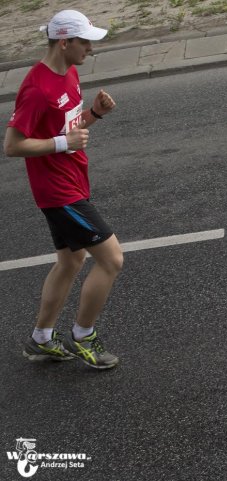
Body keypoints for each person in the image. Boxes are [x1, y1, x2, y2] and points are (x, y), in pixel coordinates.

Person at [3, 10, 122, 369]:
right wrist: (60, 142)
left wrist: (94, 114)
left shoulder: (69, 72)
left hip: (73, 180)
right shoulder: (37, 89)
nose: (90, 48)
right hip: (58, 191)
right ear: (64, 42)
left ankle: (41, 338)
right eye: (84, 42)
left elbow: (68, 129)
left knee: (71, 260)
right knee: (112, 259)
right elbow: (12, 145)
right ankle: (84, 337)